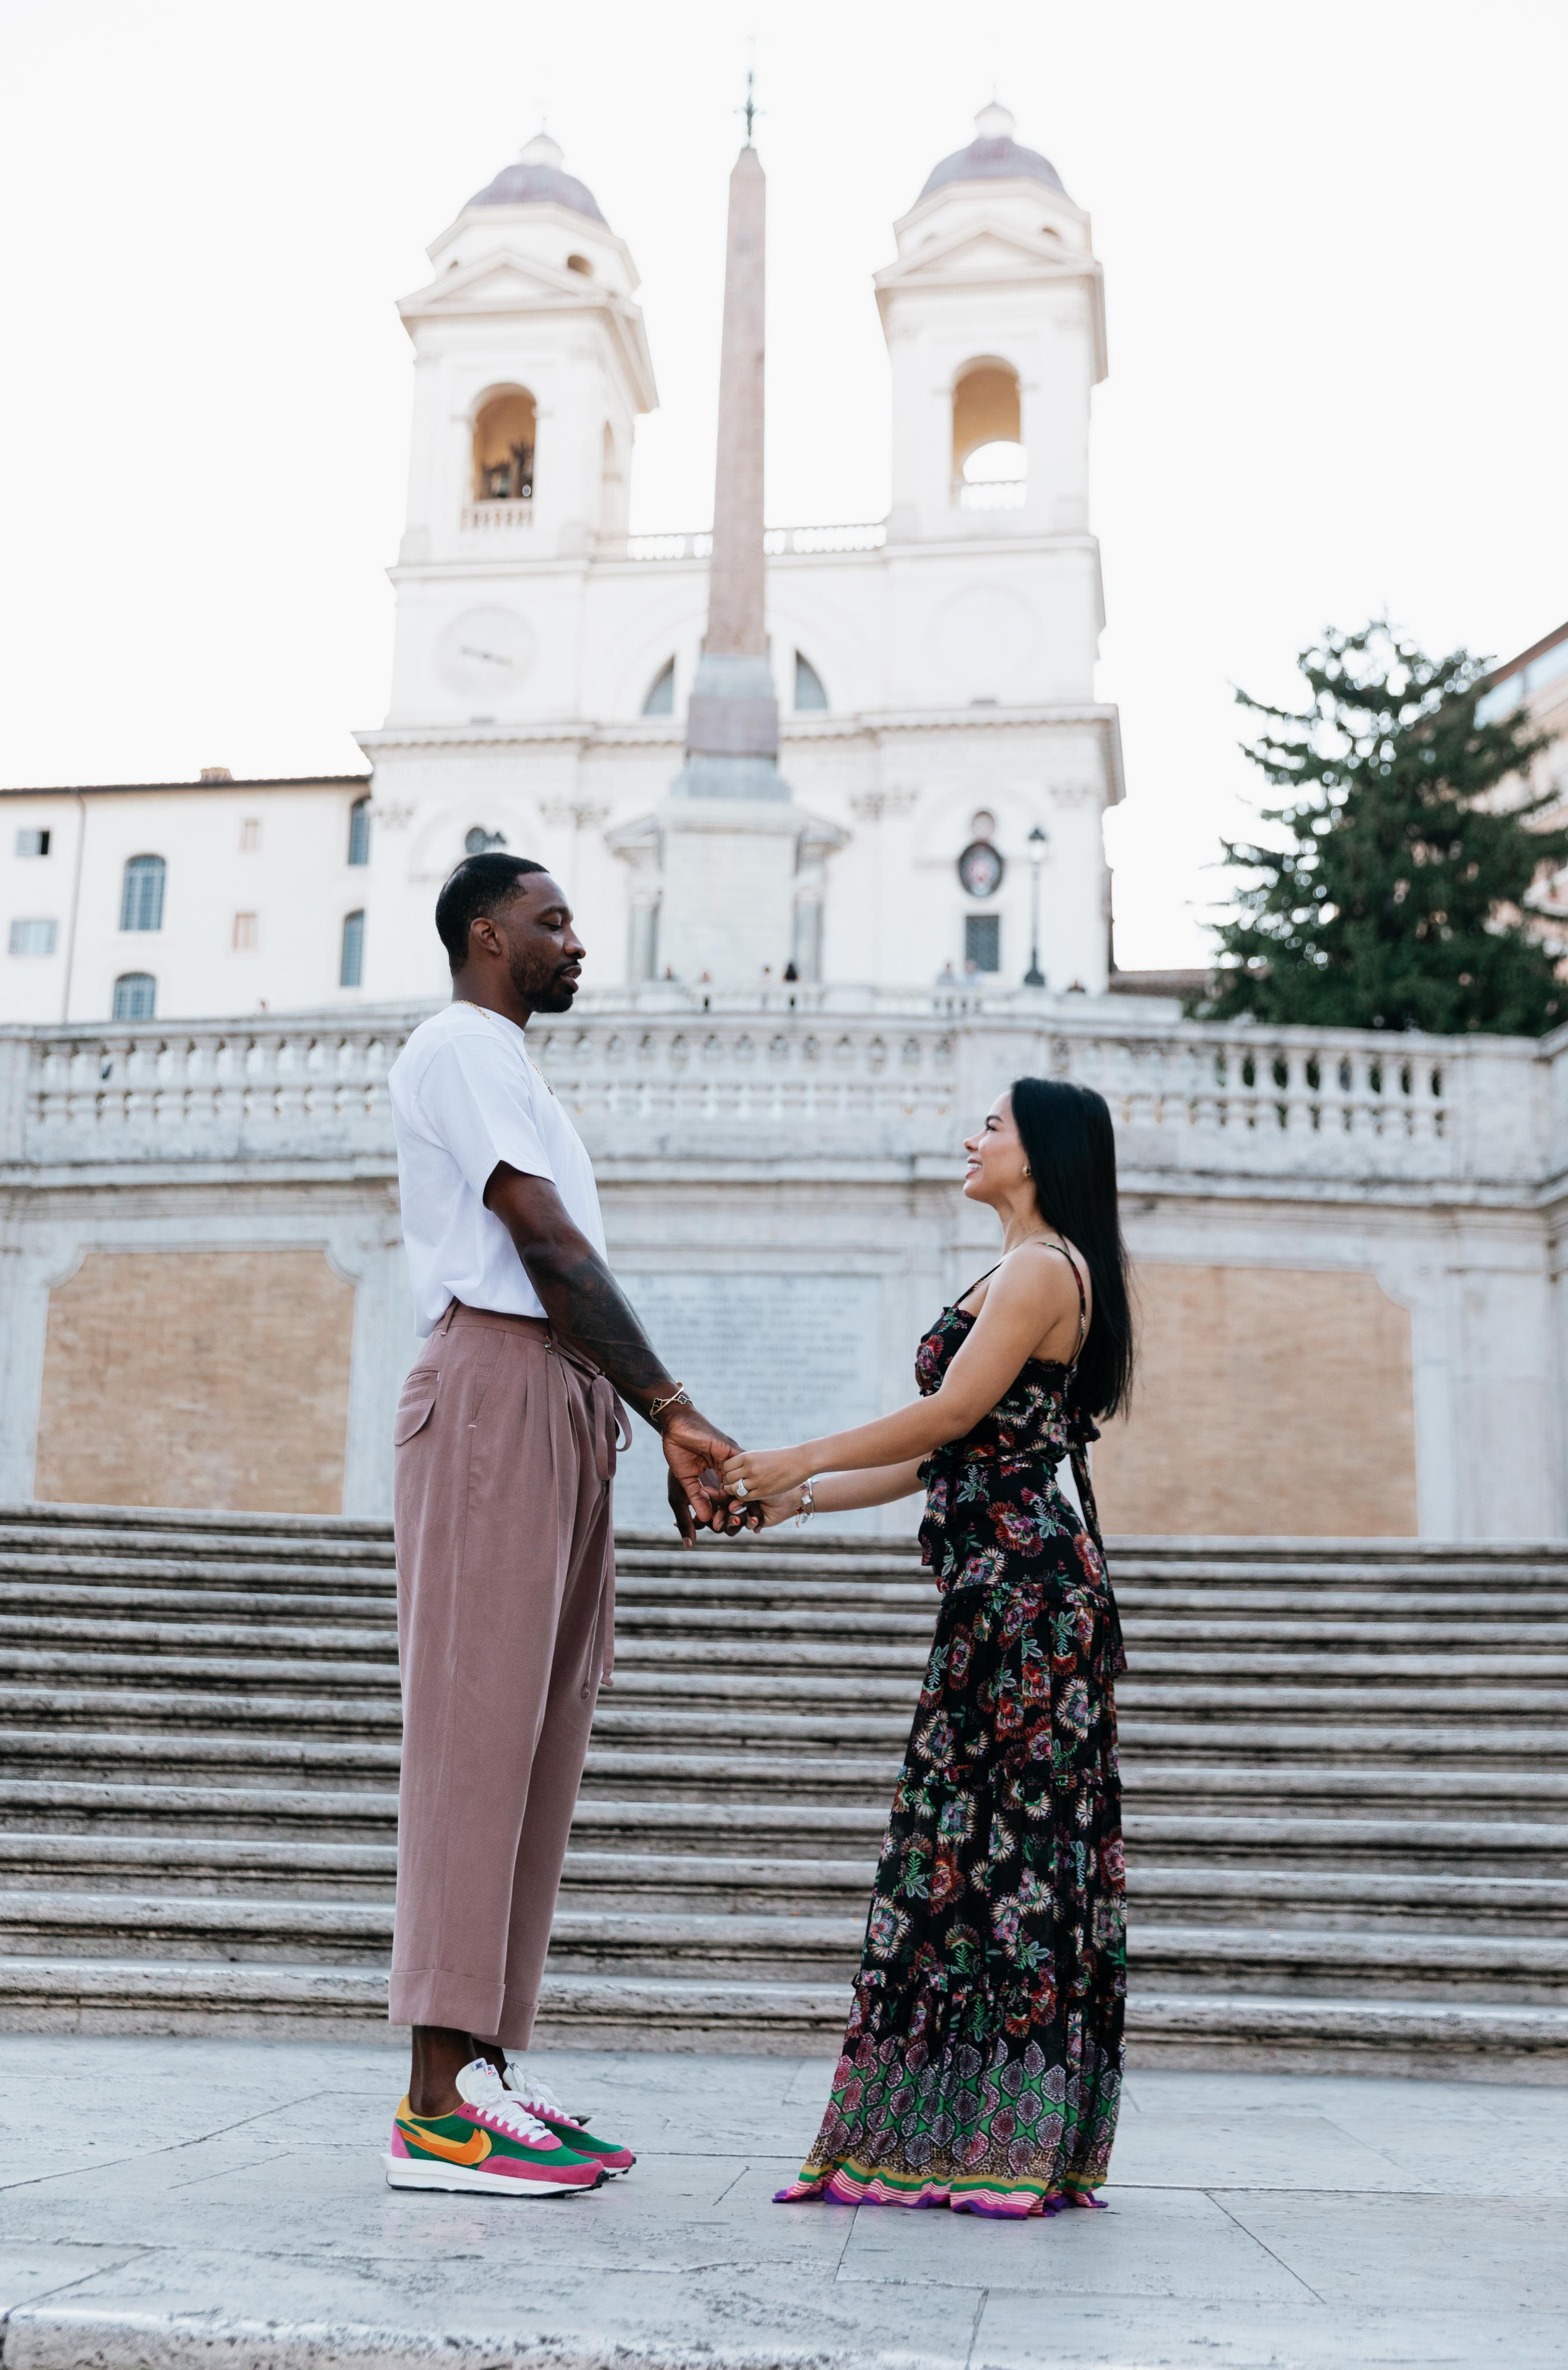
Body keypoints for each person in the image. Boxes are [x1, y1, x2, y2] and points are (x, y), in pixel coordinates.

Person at [382, 850, 747, 2197]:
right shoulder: (461, 1042)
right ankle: (430, 2105)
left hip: (554, 1392)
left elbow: (561, 1256)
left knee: (539, 1735)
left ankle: (482, 2063)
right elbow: (539, 1240)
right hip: (493, 1383)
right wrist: (670, 1406)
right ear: (486, 937)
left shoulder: (515, 1068)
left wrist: (626, 1405)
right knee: (475, 1733)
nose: (576, 940)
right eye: (552, 921)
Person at [722, 1078, 1134, 2218]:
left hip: (1027, 1601)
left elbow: (949, 1419)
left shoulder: (1048, 1268)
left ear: (1041, 1151)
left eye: (993, 1126)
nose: (973, 1138)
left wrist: (785, 1460)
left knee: (1004, 1862)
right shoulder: (1023, 1269)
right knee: (979, 1857)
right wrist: (796, 1504)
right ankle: (976, 2138)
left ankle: (1001, 2141)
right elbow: (947, 1458)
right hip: (1004, 1591)